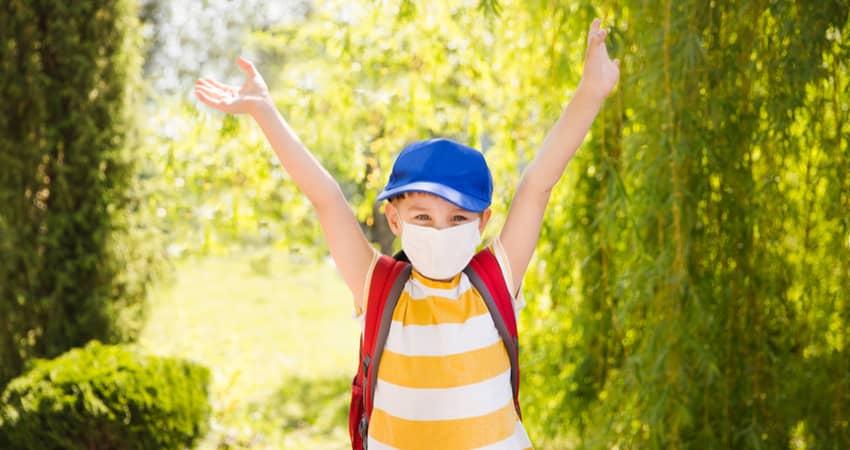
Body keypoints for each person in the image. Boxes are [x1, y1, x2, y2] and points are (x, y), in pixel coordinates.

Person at [195, 17, 619, 450]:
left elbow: (537, 185)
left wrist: (590, 93)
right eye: (422, 218)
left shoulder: (495, 279)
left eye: (457, 219)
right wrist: (264, 111)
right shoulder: (378, 286)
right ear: (394, 220)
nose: (440, 230)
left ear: (483, 222)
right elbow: (326, 198)